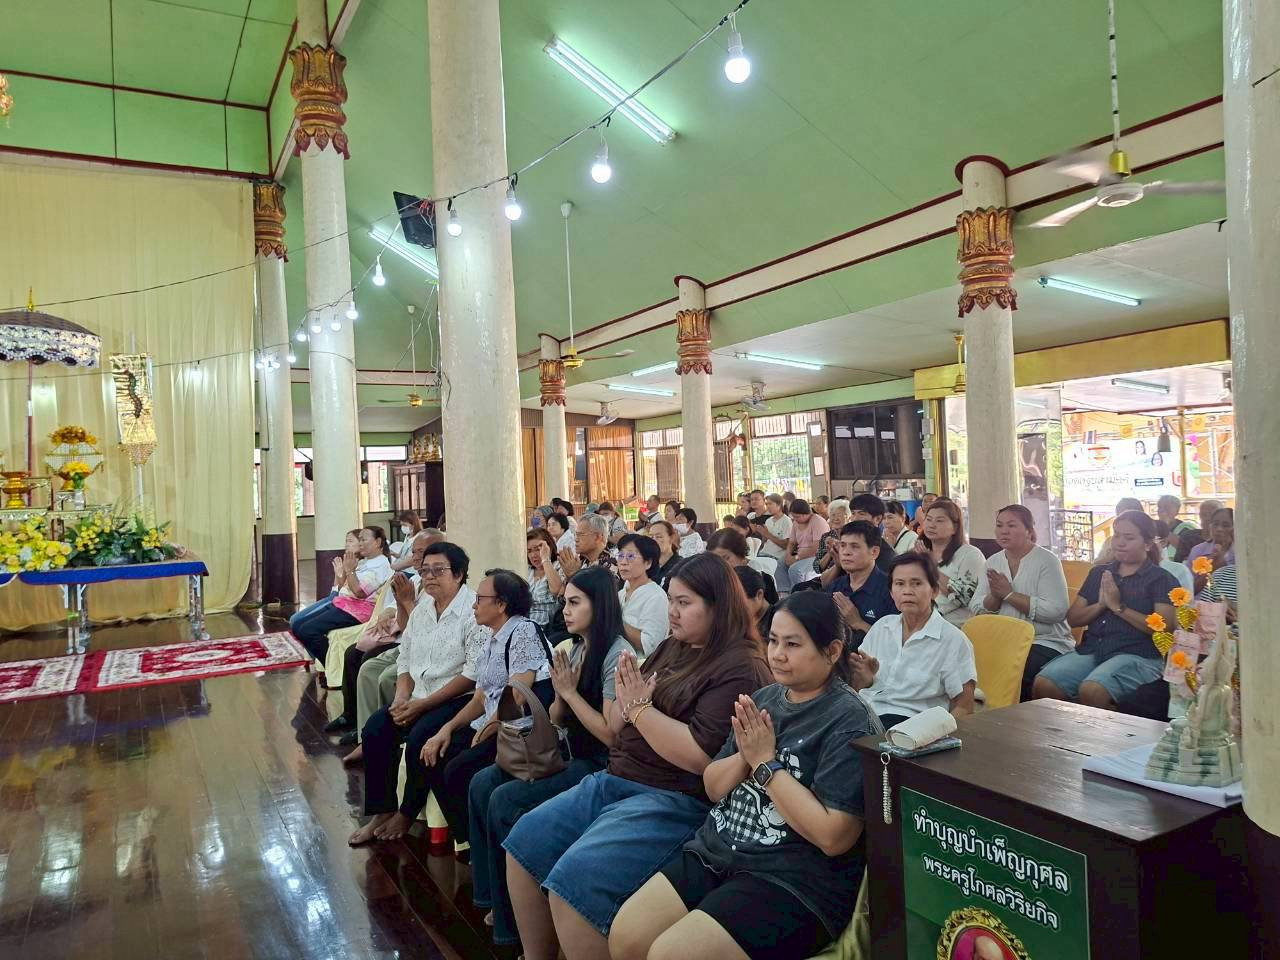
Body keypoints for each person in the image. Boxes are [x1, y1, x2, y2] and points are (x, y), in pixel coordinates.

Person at [503, 554, 773, 960]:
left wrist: (641, 712)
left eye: (685, 602)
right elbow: (628, 713)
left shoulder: (740, 666)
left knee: (576, 880)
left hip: (672, 797)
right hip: (620, 775)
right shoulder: (673, 646)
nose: (672, 612)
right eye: (671, 600)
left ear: (718, 605)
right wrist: (632, 709)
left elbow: (701, 758)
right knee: (524, 842)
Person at [611, 592, 878, 960]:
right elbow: (713, 786)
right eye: (773, 641)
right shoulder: (766, 698)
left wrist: (766, 764)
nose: (778, 654)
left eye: (793, 644)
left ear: (832, 651)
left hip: (791, 876)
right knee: (626, 936)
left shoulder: (848, 721)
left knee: (671, 954)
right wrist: (745, 758)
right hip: (719, 850)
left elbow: (834, 837)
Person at [469, 567, 630, 949]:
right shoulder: (576, 648)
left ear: (600, 606)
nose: (565, 611)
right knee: (483, 783)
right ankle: (493, 894)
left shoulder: (618, 655)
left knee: (505, 800)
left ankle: (514, 924)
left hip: (599, 764)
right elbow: (559, 718)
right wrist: (559, 697)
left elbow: (611, 734)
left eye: (575, 603)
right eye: (565, 602)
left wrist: (570, 694)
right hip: (567, 751)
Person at [349, 541, 484, 844]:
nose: (430, 577)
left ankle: (407, 812)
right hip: (417, 695)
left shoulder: (473, 611)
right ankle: (381, 811)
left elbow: (471, 676)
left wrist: (422, 705)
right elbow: (406, 658)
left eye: (439, 570)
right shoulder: (423, 609)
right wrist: (400, 698)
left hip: (455, 699)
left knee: (421, 737)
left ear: (459, 574)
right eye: (425, 571)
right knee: (376, 728)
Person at [414, 570, 554, 848]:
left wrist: (487, 729)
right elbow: (480, 699)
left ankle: (480, 844)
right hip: (491, 723)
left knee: (457, 768)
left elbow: (518, 696)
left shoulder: (522, 631)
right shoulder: (493, 638)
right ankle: (468, 838)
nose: (475, 605)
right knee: (430, 750)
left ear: (501, 604)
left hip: (515, 730)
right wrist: (447, 728)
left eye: (480, 599)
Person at [1033, 511, 1177, 710]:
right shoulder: (1100, 573)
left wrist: (1118, 607)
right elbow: (1073, 619)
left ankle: (1112, 738)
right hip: (1094, 650)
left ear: (1147, 544)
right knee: (1045, 683)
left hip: (1139, 655)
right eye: (1117, 535)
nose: (1119, 542)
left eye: (1129, 537)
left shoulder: (1161, 579)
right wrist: (1101, 604)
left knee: (1092, 690)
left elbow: (1165, 626)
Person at [851, 552, 977, 729]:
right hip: (865, 715)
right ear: (891, 592)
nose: (907, 591)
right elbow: (859, 687)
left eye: (916, 583)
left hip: (911, 725)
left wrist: (931, 736)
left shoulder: (953, 641)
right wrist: (865, 679)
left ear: (934, 591)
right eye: (899, 584)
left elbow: (964, 707)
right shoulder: (882, 627)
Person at [969, 505, 1073, 702]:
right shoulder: (992, 562)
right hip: (1002, 639)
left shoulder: (1047, 561)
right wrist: (996, 596)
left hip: (1044, 640)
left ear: (1029, 531)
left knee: (1016, 667)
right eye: (999, 525)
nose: (1004, 531)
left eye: (1011, 525)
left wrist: (1009, 595)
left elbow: (1056, 611)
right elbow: (976, 609)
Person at [294, 526, 393, 665]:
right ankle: (330, 664)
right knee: (297, 624)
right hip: (344, 603)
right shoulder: (365, 561)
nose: (360, 544)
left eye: (364, 540)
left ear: (377, 542)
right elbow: (343, 587)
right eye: (359, 540)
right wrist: (343, 571)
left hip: (359, 610)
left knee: (307, 630)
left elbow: (359, 592)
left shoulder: (381, 565)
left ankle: (333, 667)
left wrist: (350, 571)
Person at [825, 521, 897, 649]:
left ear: (874, 552)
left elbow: (895, 644)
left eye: (855, 546)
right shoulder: (837, 586)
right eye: (843, 545)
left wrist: (858, 623)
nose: (846, 552)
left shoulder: (891, 590)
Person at [918, 497, 986, 628]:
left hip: (956, 628)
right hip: (921, 622)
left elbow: (964, 596)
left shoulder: (970, 554)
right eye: (929, 519)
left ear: (955, 527)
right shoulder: (919, 551)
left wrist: (930, 564)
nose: (932, 525)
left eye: (939, 521)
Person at [288, 528, 361, 633]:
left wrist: (344, 572)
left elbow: (353, 591)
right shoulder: (347, 560)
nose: (346, 544)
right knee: (294, 620)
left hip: (342, 600)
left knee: (297, 621)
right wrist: (338, 573)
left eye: (350, 541)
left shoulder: (362, 563)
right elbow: (339, 587)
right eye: (346, 541)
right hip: (336, 596)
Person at [617, 533, 670, 656]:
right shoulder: (621, 593)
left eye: (630, 556)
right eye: (620, 555)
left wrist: (615, 620)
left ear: (648, 563)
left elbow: (651, 644)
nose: (623, 562)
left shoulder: (656, 596)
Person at [708, 528, 778, 602]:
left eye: (726, 558)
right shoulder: (716, 580)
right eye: (716, 560)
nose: (721, 565)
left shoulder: (762, 578)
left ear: (741, 554)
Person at [779, 499, 829, 592]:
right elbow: (792, 542)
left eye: (797, 517)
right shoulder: (795, 523)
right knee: (781, 563)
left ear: (806, 514)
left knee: (795, 569)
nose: (795, 519)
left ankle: (798, 594)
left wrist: (797, 558)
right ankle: (784, 593)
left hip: (817, 557)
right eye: (793, 517)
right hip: (799, 554)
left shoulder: (818, 521)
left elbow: (816, 548)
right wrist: (788, 554)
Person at [559, 513, 619, 583]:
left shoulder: (609, 565)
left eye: (580, 535)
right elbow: (560, 591)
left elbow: (599, 593)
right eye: (576, 534)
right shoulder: (582, 561)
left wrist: (574, 574)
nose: (576, 539)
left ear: (597, 537)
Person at [1187, 507, 1234, 593]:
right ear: (1210, 526)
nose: (1219, 529)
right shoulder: (1198, 551)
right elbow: (1190, 589)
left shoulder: (1241, 552)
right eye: (1215, 524)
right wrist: (1211, 567)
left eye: (1226, 525)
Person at [527, 528, 565, 627]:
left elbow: (557, 590)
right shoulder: (528, 570)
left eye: (537, 549)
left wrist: (545, 559)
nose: (533, 555)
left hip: (549, 626)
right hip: (526, 624)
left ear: (549, 548)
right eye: (529, 551)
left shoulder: (558, 566)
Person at [849, 494, 895, 573]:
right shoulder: (847, 546)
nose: (855, 519)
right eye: (853, 513)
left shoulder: (886, 554)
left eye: (861, 514)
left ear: (877, 519)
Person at [1095, 497, 1145, 564]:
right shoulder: (1109, 542)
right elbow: (1095, 564)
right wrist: (1107, 559)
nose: (1121, 520)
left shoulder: (1146, 543)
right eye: (1118, 515)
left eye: (1126, 516)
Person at [751, 493, 793, 572]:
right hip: (764, 553)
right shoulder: (768, 521)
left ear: (779, 505)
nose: (768, 507)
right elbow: (765, 542)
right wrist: (762, 533)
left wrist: (767, 534)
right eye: (766, 504)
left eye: (770, 504)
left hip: (775, 556)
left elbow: (785, 545)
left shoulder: (786, 521)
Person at [1152, 521, 1194, 593]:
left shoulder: (1179, 571)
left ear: (1163, 542)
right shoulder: (1131, 570)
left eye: (1150, 539)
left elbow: (1187, 603)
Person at [734, 565, 775, 637]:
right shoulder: (736, 623)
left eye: (739, 604)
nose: (735, 610)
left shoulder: (777, 625)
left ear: (759, 595)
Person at [813, 498, 850, 577]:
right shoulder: (826, 536)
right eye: (833, 515)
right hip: (826, 577)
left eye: (840, 515)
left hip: (845, 577)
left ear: (848, 517)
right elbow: (817, 568)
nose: (835, 518)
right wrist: (830, 551)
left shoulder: (852, 536)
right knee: (798, 587)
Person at [647, 520, 684, 591]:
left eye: (659, 537)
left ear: (671, 538)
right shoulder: (647, 565)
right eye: (651, 537)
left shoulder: (680, 566)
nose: (654, 540)